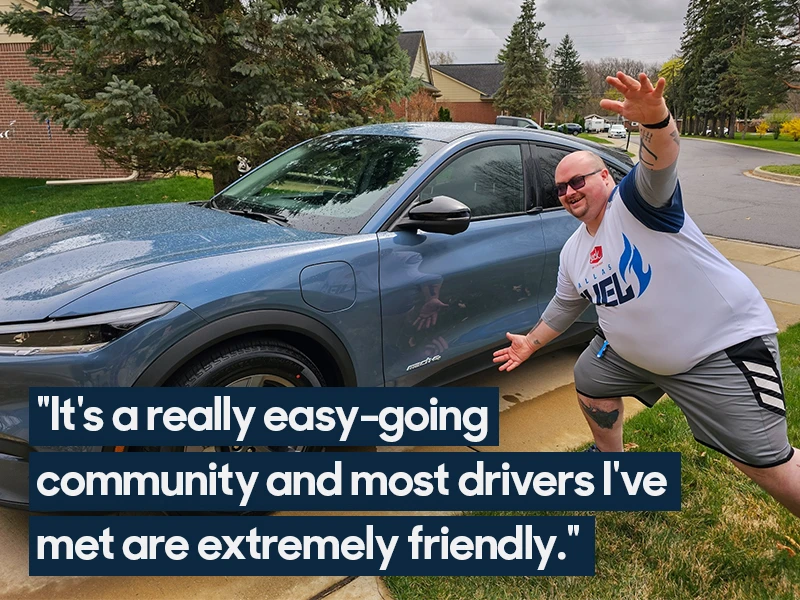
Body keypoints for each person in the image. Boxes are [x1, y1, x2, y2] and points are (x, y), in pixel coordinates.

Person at [492, 71, 800, 517]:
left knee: (769, 465)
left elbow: (660, 162)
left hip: (718, 350)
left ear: (604, 178)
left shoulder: (638, 204)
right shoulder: (574, 251)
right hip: (631, 353)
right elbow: (565, 306)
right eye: (560, 188)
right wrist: (529, 343)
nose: (568, 192)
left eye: (577, 181)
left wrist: (654, 120)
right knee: (590, 379)